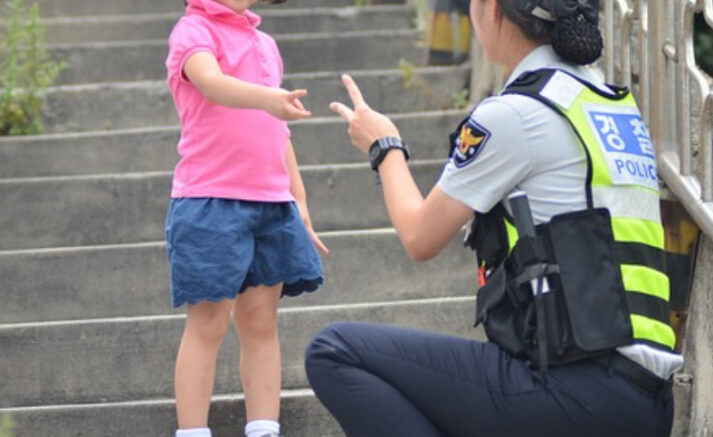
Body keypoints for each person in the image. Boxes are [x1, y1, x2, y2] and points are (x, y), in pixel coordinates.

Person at [305, 0, 682, 436]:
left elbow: (419, 236)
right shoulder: (615, 108)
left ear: (492, 8)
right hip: (648, 404)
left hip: (577, 395)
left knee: (333, 351)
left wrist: (384, 146)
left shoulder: (515, 114)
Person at [164, 0, 328, 436]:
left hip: (271, 203)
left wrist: (300, 200)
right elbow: (213, 83)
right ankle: (193, 431)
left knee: (260, 321)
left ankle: (263, 428)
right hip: (210, 201)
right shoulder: (193, 31)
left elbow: (280, 131)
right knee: (209, 322)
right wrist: (268, 99)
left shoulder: (265, 43)